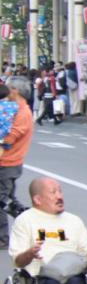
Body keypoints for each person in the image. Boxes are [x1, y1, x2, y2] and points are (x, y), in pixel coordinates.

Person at [0, 77, 34, 248]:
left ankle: (2, 238)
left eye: (10, 88)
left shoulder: (23, 112)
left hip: (8, 162)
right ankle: (33, 224)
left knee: (1, 200)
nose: (8, 92)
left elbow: (11, 136)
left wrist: (3, 140)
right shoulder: (15, 109)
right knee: (9, 201)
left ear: (17, 91)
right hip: (8, 161)